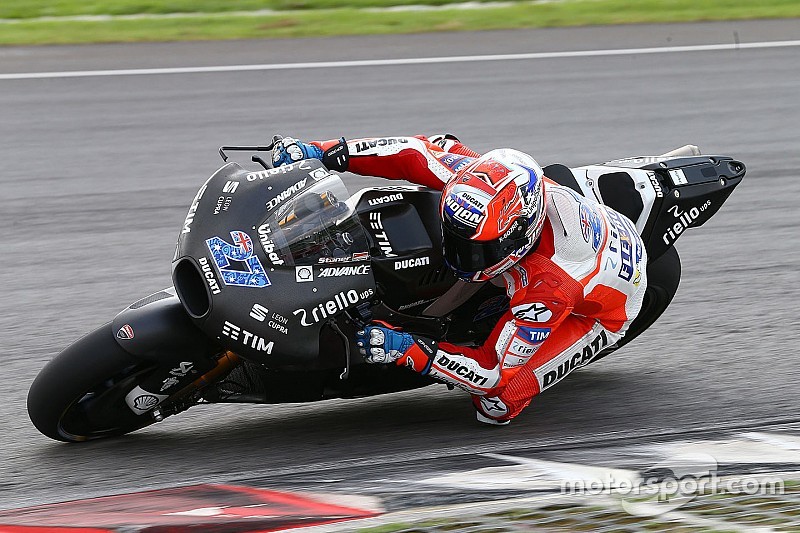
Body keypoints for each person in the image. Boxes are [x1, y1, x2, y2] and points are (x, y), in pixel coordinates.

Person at [272, 134, 647, 425]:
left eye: (476, 250)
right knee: (441, 146)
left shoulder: (548, 286)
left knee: (497, 403)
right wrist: (321, 152)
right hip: (566, 212)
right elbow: (413, 151)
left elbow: (492, 371)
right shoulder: (476, 182)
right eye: (455, 237)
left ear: (517, 236)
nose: (460, 256)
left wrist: (409, 349)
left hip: (600, 311)